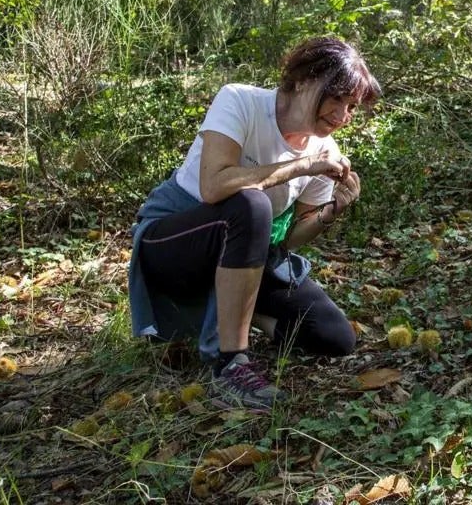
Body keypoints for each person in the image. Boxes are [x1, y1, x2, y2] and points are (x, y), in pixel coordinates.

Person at [127, 37, 381, 410]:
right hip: (173, 244)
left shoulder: (327, 152)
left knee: (333, 337)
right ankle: (230, 364)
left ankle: (231, 313)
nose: (343, 115)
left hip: (240, 254)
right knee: (250, 203)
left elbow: (291, 239)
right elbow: (214, 185)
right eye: (337, 98)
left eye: (352, 107)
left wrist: (331, 212)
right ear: (304, 80)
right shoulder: (241, 101)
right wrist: (299, 167)